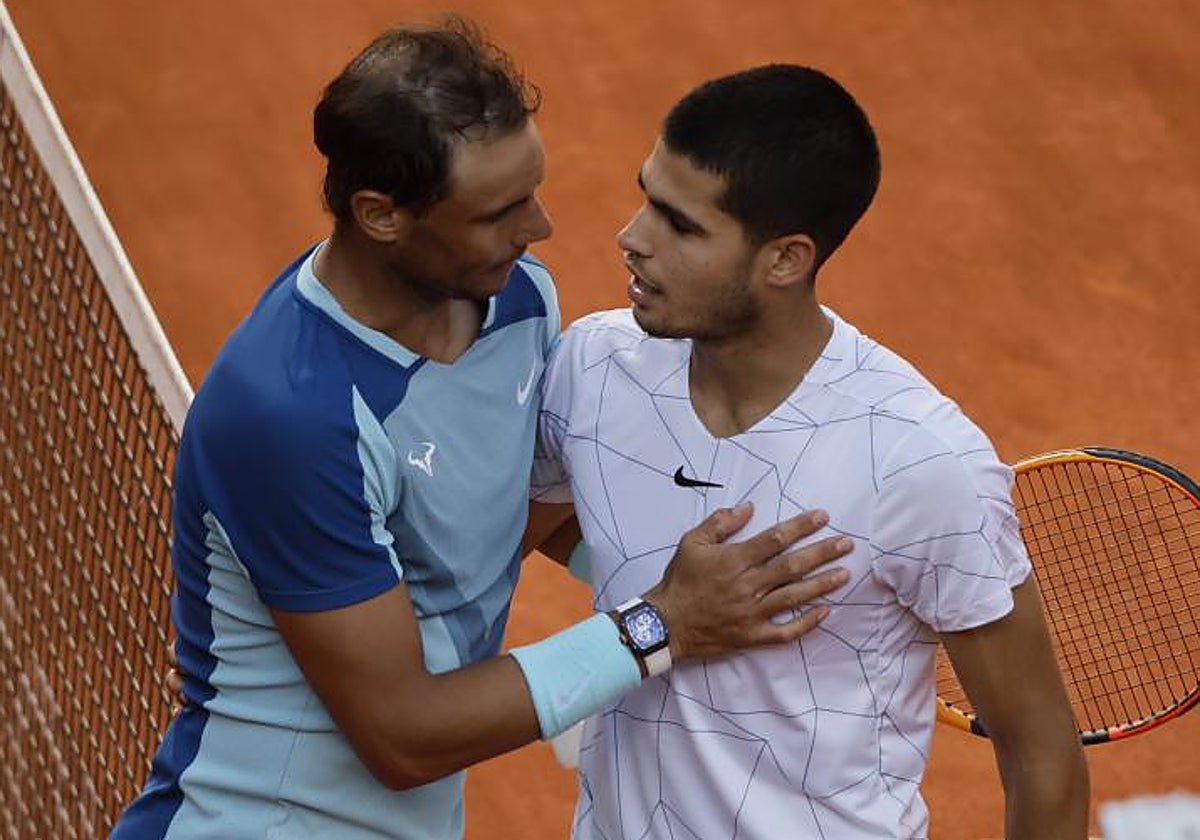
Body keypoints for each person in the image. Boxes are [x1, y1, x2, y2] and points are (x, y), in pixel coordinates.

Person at [107, 20, 854, 840]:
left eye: (531, 191)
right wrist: (660, 624)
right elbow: (404, 735)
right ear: (381, 214)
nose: (539, 229)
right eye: (499, 211)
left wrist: (750, 589)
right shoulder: (290, 416)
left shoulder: (518, 300)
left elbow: (502, 511)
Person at [531, 65, 1090, 839]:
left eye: (681, 225)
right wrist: (679, 605)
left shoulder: (917, 461)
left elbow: (1041, 754)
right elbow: (524, 532)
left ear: (787, 259)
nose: (634, 238)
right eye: (647, 196)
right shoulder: (592, 369)